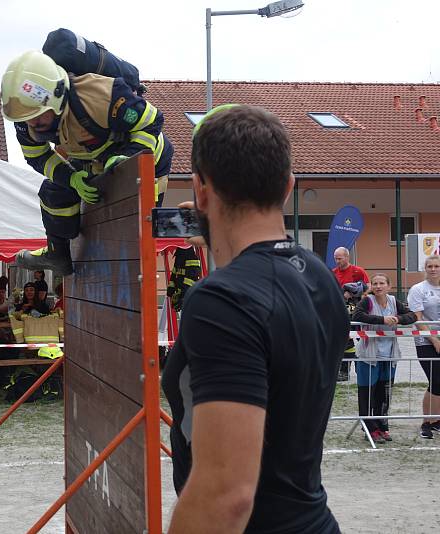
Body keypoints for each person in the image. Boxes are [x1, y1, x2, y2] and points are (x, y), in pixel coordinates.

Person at [160, 105, 348, 533]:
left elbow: (225, 496)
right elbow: (263, 292)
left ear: (201, 191)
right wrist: (215, 239)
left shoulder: (221, 302)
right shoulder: (317, 275)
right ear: (288, 186)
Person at [1, 50, 174, 275]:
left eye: (38, 114)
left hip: (147, 155)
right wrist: (70, 178)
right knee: (52, 192)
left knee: (137, 225)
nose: (33, 122)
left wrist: (132, 154)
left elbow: (152, 120)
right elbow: (36, 156)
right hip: (94, 160)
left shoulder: (100, 96)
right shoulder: (26, 118)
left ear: (56, 97)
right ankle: (57, 254)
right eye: (26, 117)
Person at [352, 273, 416, 443]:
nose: (378, 286)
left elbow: (413, 316)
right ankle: (369, 429)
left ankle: (382, 427)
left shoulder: (394, 302)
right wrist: (382, 319)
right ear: (371, 286)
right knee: (368, 393)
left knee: (384, 394)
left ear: (389, 286)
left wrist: (398, 319)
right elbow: (357, 316)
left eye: (381, 283)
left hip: (389, 355)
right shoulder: (367, 301)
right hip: (369, 356)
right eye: (375, 283)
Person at [407, 254, 440, 439]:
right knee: (435, 379)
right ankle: (426, 422)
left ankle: (436, 420)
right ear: (425, 269)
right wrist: (434, 340)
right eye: (430, 266)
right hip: (425, 341)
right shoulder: (418, 289)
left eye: (436, 266)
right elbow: (418, 318)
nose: (433, 269)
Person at [332, 247, 370, 381]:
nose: (337, 261)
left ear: (347, 257)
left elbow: (367, 287)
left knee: (362, 340)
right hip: (341, 311)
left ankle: (362, 370)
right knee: (345, 342)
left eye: (340, 258)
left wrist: (355, 293)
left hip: (357, 310)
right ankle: (344, 372)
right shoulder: (333, 272)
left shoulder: (357, 271)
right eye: (335, 258)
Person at [167, 247, 202, 312]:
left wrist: (183, 295)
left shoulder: (191, 258)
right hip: (183, 292)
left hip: (185, 293)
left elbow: (191, 278)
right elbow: (175, 272)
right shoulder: (179, 256)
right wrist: (171, 289)